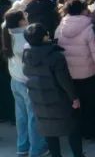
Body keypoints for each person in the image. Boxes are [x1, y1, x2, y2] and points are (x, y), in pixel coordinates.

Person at [23, 23, 83, 157]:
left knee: (48, 131)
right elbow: (64, 81)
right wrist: (74, 98)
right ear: (44, 36)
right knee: (72, 129)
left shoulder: (27, 54)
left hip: (38, 98)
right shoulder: (55, 56)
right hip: (59, 99)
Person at [55, 0, 95, 140]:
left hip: (69, 75)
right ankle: (91, 133)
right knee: (90, 106)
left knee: (75, 105)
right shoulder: (89, 29)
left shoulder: (60, 28)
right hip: (89, 74)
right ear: (83, 10)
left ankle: (78, 132)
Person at [4, 10, 48, 157]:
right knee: (33, 117)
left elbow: (8, 17)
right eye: (25, 17)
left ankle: (22, 146)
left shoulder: (6, 32)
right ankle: (37, 149)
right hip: (27, 82)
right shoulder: (25, 38)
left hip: (15, 80)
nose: (27, 18)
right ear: (20, 22)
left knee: (21, 116)